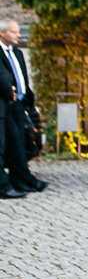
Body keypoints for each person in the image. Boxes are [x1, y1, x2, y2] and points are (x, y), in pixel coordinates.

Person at [0, 20, 46, 195]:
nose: (19, 35)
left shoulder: (17, 53)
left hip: (19, 103)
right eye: (14, 32)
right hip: (5, 103)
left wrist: (27, 97)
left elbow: (22, 78)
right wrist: (7, 91)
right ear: (2, 33)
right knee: (7, 144)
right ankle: (12, 182)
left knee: (20, 141)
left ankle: (22, 179)